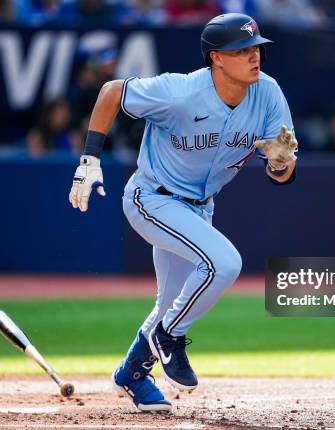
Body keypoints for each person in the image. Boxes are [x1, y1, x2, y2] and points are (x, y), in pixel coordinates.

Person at [68, 13, 297, 412]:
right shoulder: (179, 91)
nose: (254, 56)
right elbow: (110, 93)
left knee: (170, 300)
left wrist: (280, 163)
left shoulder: (268, 93)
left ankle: (132, 375)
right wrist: (89, 160)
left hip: (199, 209)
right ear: (216, 58)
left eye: (256, 48)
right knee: (224, 263)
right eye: (241, 50)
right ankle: (170, 337)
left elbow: (283, 173)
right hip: (152, 198)